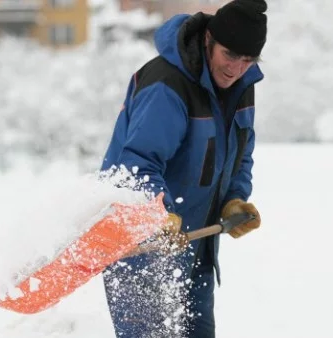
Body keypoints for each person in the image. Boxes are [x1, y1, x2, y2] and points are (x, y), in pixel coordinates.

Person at [100, 0, 267, 336]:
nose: (236, 68)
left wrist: (234, 199)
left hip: (195, 247)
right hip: (142, 248)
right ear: (209, 41)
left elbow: (241, 155)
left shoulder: (240, 88)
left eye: (248, 60)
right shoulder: (167, 85)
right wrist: (156, 214)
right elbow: (136, 165)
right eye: (230, 55)